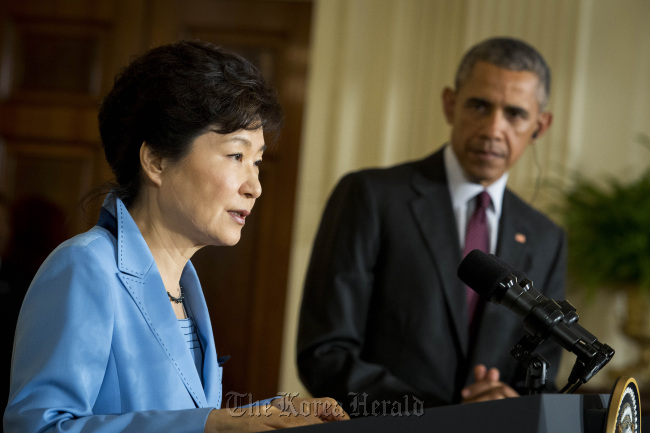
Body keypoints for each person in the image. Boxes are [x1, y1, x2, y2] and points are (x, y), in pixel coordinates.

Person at [4, 40, 348, 432]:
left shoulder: (184, 282)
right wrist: (214, 425)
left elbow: (179, 415)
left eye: (257, 161)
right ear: (156, 160)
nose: (255, 186)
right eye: (237, 155)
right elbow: (37, 427)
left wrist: (269, 414)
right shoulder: (84, 266)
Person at [297, 37, 567, 412]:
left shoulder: (547, 238)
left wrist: (510, 402)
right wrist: (437, 417)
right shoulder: (370, 196)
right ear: (450, 104)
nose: (493, 129)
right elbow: (325, 353)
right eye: (479, 105)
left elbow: (541, 378)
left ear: (540, 125)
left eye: (515, 114)